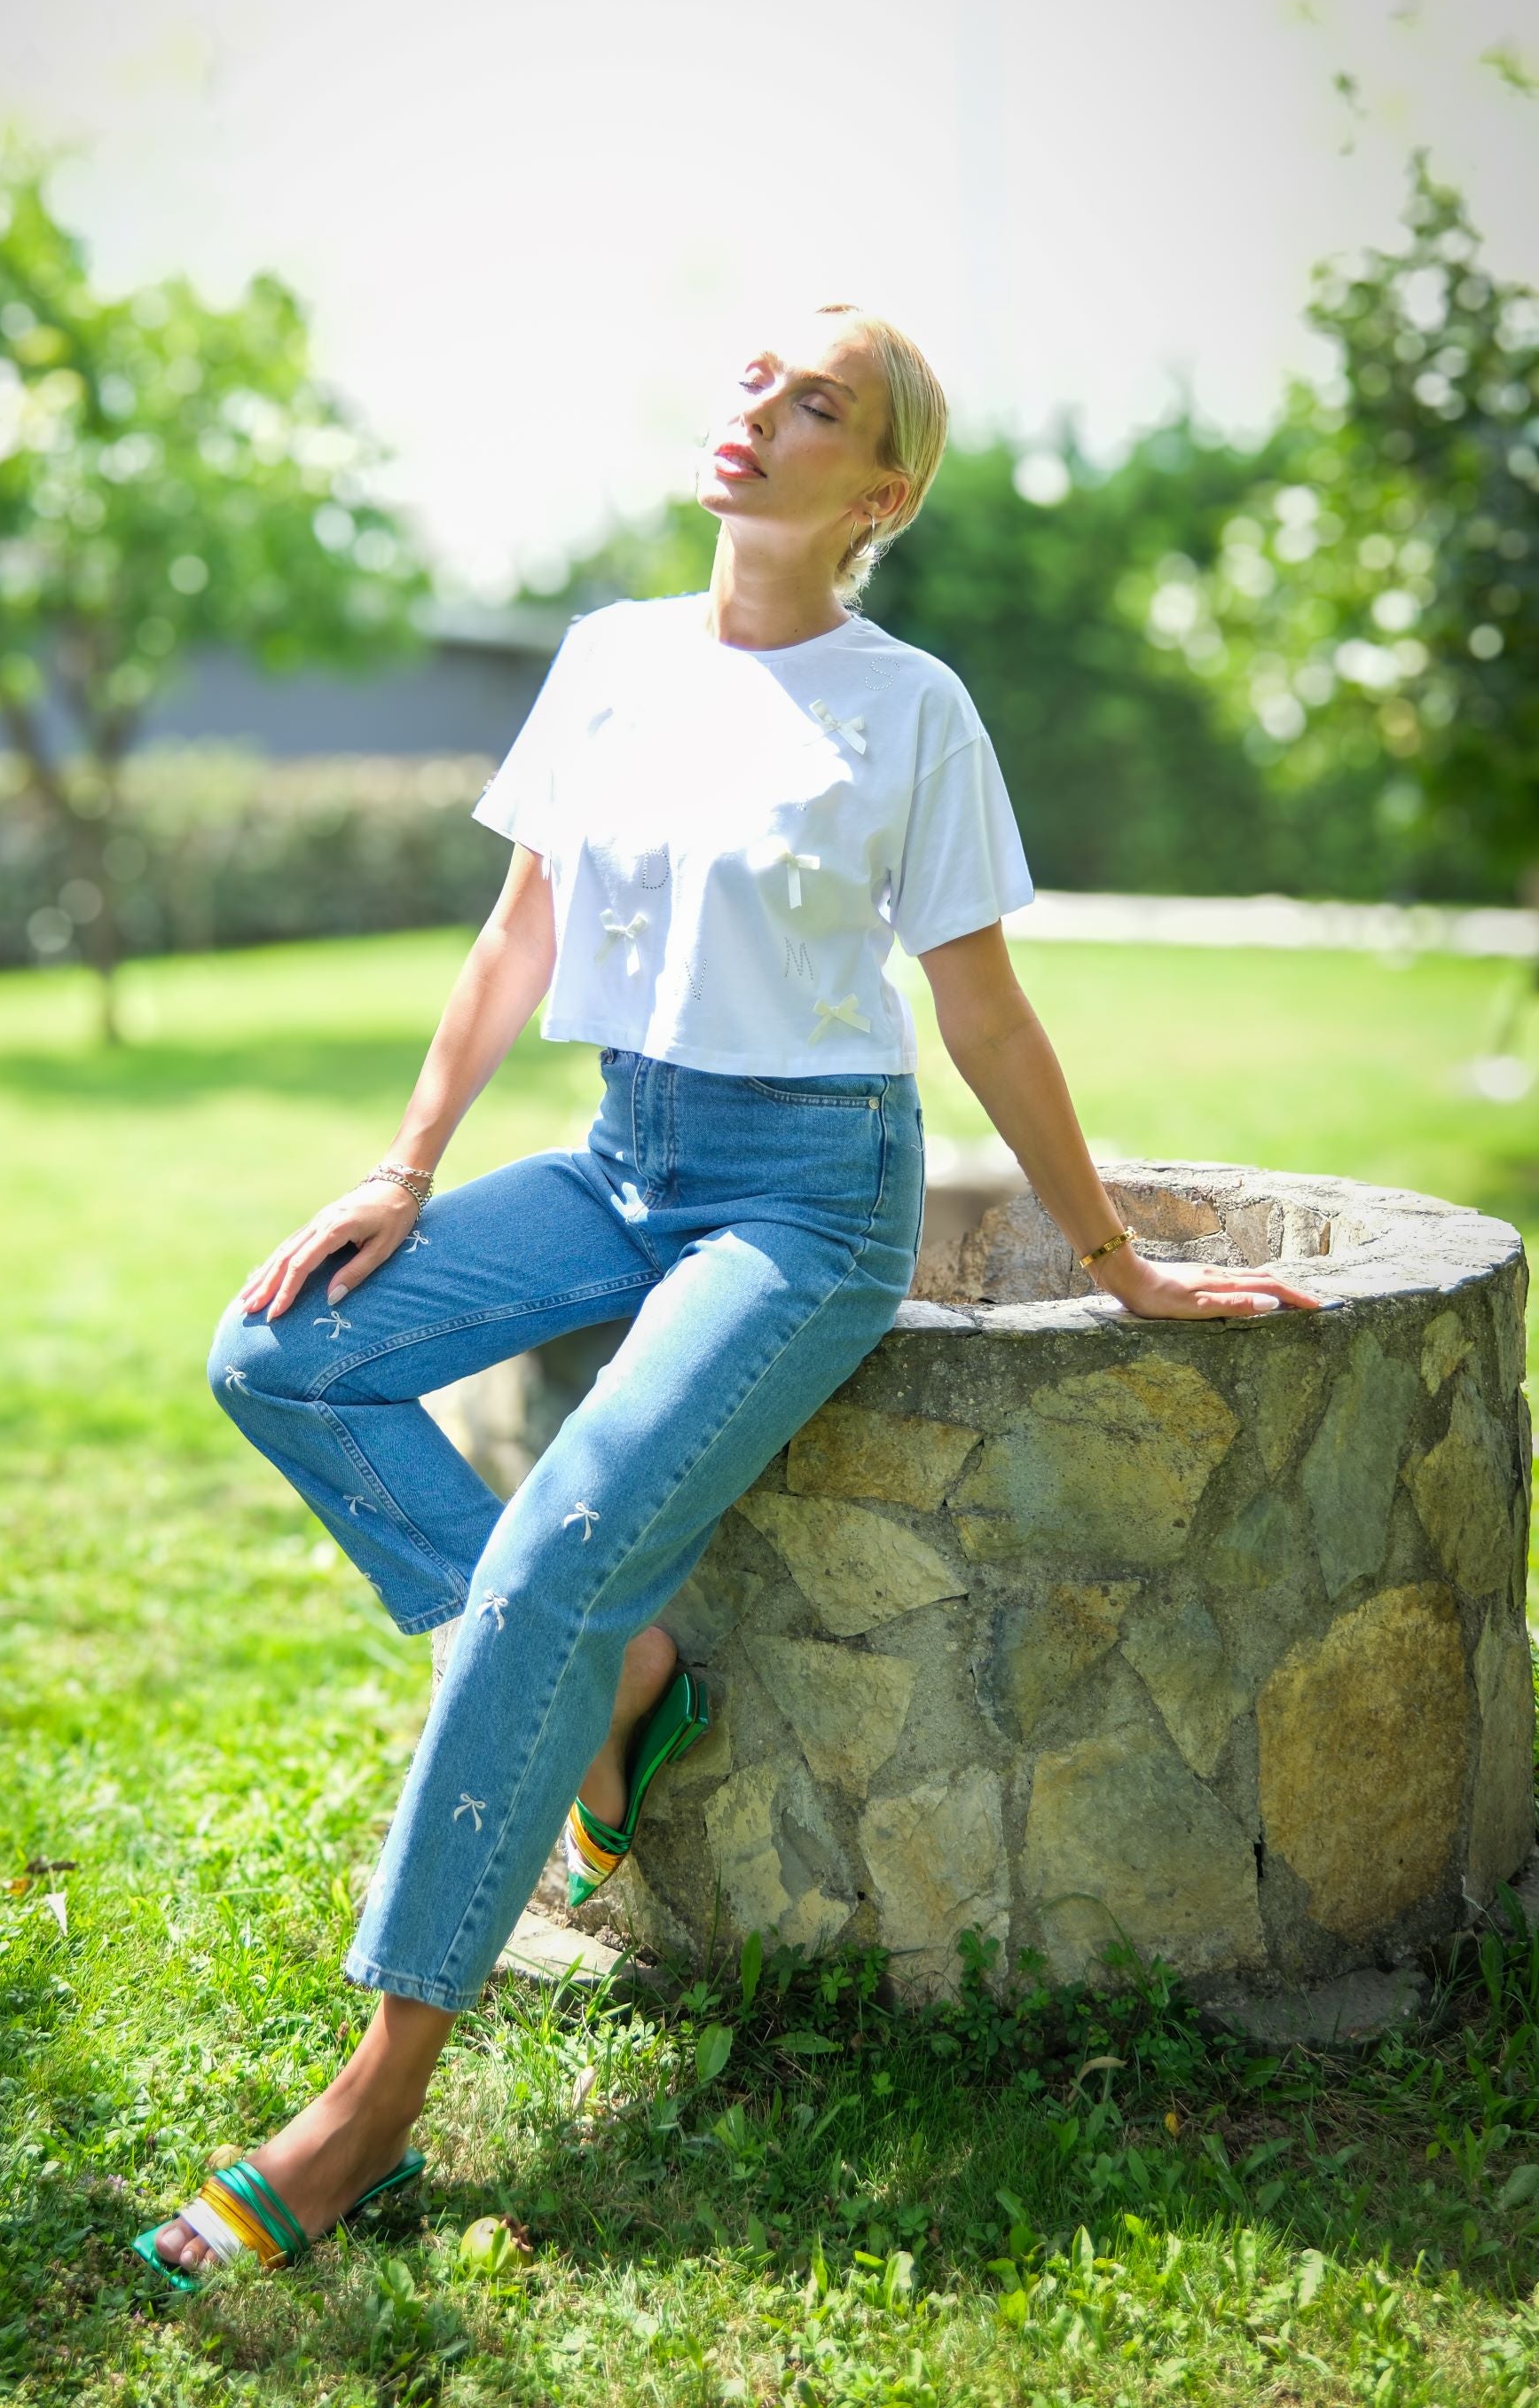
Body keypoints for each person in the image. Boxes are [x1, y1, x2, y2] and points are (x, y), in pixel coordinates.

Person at [134, 304, 1316, 2287]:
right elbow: (516, 937)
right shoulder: (603, 660)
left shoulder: (908, 705)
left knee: (546, 1563)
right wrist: (403, 1167)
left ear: (883, 488)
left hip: (802, 1200)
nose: (754, 413)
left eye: (813, 405)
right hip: (621, 1156)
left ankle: (373, 2105)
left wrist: (1114, 1260)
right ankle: (609, 1682)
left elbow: (981, 1008)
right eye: (754, 381)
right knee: (279, 1348)